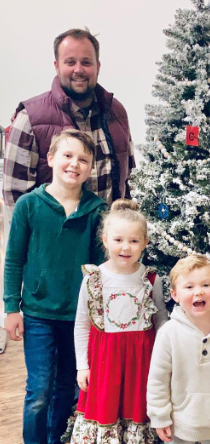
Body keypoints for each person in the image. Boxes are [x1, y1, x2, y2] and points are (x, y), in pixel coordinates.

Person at [3, 129, 108, 444]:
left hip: (78, 319)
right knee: (39, 390)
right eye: (67, 155)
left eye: (83, 160)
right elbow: (13, 260)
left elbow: (100, 270)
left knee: (66, 387)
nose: (74, 164)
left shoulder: (97, 210)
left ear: (91, 168)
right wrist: (10, 308)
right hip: (38, 315)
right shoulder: (28, 206)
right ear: (50, 158)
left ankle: (56, 439)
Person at [3, 28, 135, 215]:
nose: (78, 70)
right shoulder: (29, 120)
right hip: (53, 234)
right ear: (56, 66)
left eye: (86, 62)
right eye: (70, 62)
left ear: (98, 66)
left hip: (109, 232)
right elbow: (15, 198)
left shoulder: (117, 113)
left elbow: (127, 182)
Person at [70, 198, 168, 443]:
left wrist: (165, 362)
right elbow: (82, 324)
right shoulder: (94, 278)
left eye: (134, 241)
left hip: (141, 365)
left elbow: (161, 322)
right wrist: (82, 365)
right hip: (104, 364)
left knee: (135, 412)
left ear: (144, 243)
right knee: (106, 411)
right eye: (118, 240)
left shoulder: (150, 279)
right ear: (105, 240)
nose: (126, 247)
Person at [147, 255, 210, 444]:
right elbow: (158, 379)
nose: (198, 292)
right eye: (189, 287)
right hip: (179, 425)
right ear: (175, 295)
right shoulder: (168, 333)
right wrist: (160, 416)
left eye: (206, 285)